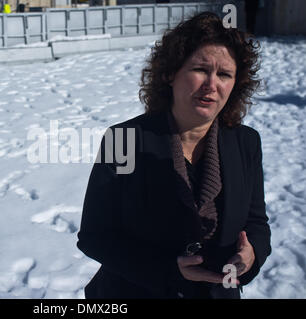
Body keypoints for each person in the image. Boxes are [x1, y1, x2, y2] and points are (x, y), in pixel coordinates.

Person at [76, 12, 271, 299]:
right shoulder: (124, 140)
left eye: (225, 74)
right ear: (170, 73)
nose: (211, 84)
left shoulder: (246, 142)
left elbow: (256, 222)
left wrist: (252, 252)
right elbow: (95, 236)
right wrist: (169, 270)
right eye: (200, 69)